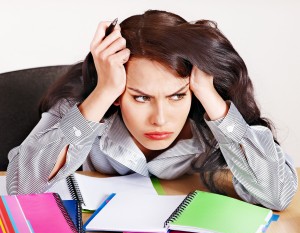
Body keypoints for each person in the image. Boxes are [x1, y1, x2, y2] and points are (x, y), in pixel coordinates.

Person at [6, 10, 297, 211]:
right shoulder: (82, 108)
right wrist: (103, 92)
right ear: (119, 91)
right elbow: (21, 189)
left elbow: (278, 195)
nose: (160, 119)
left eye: (176, 96)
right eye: (142, 98)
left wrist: (211, 98)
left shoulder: (209, 119)